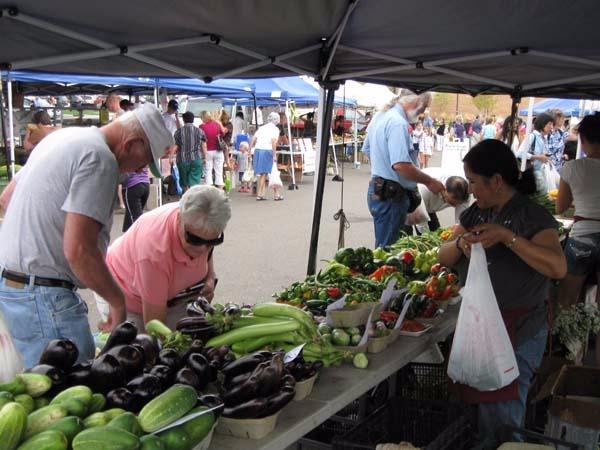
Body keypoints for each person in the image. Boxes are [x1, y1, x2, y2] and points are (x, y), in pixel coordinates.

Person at [0, 104, 173, 368]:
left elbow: (6, 199)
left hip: (14, 287)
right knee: (69, 392)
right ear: (132, 143)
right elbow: (79, 250)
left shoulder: (63, 138)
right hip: (45, 298)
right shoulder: (99, 158)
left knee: (37, 389)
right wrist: (117, 302)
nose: (140, 168)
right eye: (145, 159)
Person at [438, 139, 565, 447]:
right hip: (481, 326)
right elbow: (442, 256)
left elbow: (558, 267)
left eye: (474, 183)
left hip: (519, 329)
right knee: (483, 408)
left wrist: (508, 237)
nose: (471, 191)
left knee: (503, 412)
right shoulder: (475, 214)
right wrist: (459, 244)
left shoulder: (531, 216)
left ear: (496, 181)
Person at [100, 186, 230, 330]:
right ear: (179, 219)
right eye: (194, 240)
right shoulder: (153, 250)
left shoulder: (201, 218)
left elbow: (205, 244)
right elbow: (155, 326)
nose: (202, 249)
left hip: (174, 297)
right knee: (141, 346)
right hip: (127, 294)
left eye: (213, 241)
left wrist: (210, 276)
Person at [363, 91, 445, 247]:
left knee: (386, 247)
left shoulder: (381, 116)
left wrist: (384, 166)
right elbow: (401, 165)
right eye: (424, 107)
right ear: (417, 102)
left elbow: (367, 149)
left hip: (381, 190)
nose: (422, 113)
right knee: (389, 250)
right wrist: (429, 181)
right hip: (391, 195)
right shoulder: (397, 122)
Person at [556, 113, 600, 364]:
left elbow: (561, 207)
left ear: (583, 140)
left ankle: (572, 362)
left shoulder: (573, 167)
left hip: (582, 238)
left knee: (567, 302)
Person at [405, 169, 470, 233]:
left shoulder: (464, 190)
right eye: (451, 203)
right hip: (406, 203)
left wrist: (458, 230)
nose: (454, 206)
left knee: (437, 232)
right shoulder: (425, 190)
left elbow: (461, 219)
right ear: (445, 189)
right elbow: (420, 220)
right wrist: (427, 238)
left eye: (457, 204)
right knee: (406, 236)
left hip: (428, 206)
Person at [517, 113, 554, 193]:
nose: (551, 127)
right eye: (550, 124)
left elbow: (542, 155)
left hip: (540, 173)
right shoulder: (532, 136)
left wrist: (546, 159)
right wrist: (538, 157)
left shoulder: (544, 138)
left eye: (552, 124)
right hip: (532, 173)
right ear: (542, 123)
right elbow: (520, 153)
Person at [251, 112, 280, 201]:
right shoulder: (275, 129)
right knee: (270, 171)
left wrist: (250, 149)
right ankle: (261, 194)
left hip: (258, 150)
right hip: (267, 150)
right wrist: (274, 154)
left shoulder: (262, 128)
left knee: (264, 172)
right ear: (276, 120)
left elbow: (254, 138)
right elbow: (273, 141)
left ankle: (274, 194)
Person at [174, 111, 207, 192]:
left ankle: (186, 199)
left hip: (182, 160)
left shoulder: (178, 132)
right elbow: (204, 145)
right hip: (196, 159)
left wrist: (171, 156)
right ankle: (193, 199)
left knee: (184, 183)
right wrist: (205, 158)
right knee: (194, 183)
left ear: (184, 120)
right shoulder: (200, 131)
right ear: (193, 120)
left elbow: (176, 146)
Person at [200, 110, 227, 189]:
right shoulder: (217, 124)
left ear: (203, 118)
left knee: (208, 171)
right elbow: (223, 134)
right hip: (218, 151)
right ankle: (220, 190)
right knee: (219, 171)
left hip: (207, 151)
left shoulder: (202, 127)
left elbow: (201, 140)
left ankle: (209, 190)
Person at [122, 168, 150, 233]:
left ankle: (139, 240)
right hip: (145, 184)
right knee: (132, 214)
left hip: (132, 186)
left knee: (135, 219)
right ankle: (126, 238)